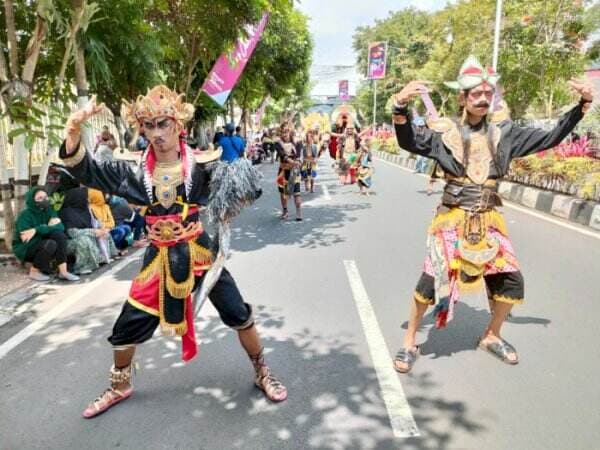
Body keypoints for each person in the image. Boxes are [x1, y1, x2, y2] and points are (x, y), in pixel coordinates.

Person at [59, 86, 287, 418]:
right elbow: (85, 170)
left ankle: (262, 371)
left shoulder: (202, 166)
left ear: (178, 125)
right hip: (158, 259)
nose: (156, 133)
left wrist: (234, 193)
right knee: (126, 326)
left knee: (238, 313)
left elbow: (242, 190)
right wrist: (73, 130)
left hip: (200, 255)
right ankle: (119, 385)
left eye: (163, 123)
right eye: (148, 126)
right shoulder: (131, 170)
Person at [390, 55, 594, 373]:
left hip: (489, 219)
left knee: (512, 282)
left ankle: (491, 335)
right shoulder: (445, 133)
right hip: (451, 219)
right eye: (475, 93)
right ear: (463, 97)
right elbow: (408, 141)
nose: (483, 99)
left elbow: (552, 135)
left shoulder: (506, 134)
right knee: (430, 283)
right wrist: (400, 106)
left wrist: (583, 104)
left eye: (488, 93)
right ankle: (410, 342)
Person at [12, 186, 79, 282]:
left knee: (59, 235)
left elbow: (60, 227)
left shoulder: (49, 210)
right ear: (32, 201)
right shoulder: (25, 215)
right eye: (40, 198)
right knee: (50, 244)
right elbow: (26, 239)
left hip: (41, 239)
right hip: (25, 247)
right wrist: (48, 228)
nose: (44, 200)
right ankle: (34, 271)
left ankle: (63, 272)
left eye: (46, 197)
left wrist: (36, 230)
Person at [59, 186, 106, 274]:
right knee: (84, 240)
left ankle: (103, 257)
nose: (88, 200)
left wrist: (101, 229)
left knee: (104, 234)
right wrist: (94, 232)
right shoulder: (66, 212)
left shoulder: (85, 210)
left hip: (84, 236)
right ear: (77, 198)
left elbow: (95, 223)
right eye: (85, 198)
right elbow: (72, 233)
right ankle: (80, 267)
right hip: (69, 241)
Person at [274, 128, 302, 221]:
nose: (284, 134)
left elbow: (298, 155)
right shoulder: (278, 143)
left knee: (297, 193)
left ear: (290, 132)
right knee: (283, 193)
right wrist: (292, 161)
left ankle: (298, 212)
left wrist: (297, 161)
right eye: (282, 132)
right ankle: (285, 211)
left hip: (294, 171)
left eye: (286, 132)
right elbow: (282, 155)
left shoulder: (297, 142)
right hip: (283, 171)